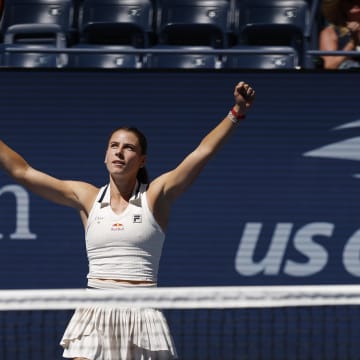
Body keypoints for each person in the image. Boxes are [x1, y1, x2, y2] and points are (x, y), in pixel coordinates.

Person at [0, 81, 255, 360]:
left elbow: (201, 153)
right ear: (106, 155)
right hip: (95, 309)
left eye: (128, 148)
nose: (119, 152)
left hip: (143, 312)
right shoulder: (86, 197)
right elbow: (22, 172)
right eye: (114, 146)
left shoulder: (156, 196)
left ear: (142, 159)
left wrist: (236, 113)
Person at [319, 0, 360, 69]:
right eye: (350, 1)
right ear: (341, 5)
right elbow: (330, 66)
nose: (355, 2)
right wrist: (353, 43)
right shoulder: (330, 32)